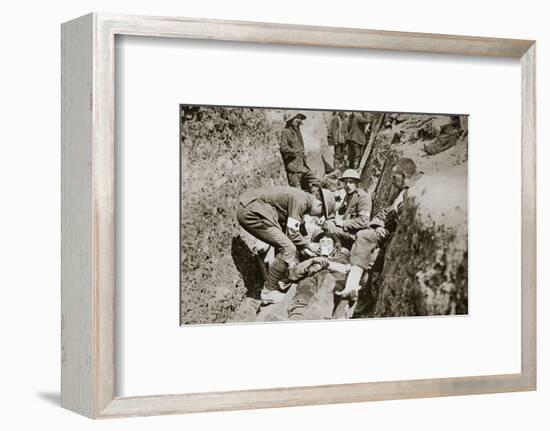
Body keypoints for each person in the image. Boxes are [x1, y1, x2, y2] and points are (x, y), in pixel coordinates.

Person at [237, 186, 336, 304]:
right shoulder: (301, 201)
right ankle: (268, 291)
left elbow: (293, 228)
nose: (317, 217)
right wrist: (309, 245)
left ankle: (275, 279)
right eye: (320, 214)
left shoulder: (303, 198)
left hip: (252, 208)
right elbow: (293, 234)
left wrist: (304, 245)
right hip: (251, 211)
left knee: (284, 244)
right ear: (319, 205)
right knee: (288, 248)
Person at [336, 158, 419, 299]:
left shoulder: (410, 194)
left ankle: (355, 288)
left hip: (391, 235)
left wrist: (383, 229)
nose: (392, 181)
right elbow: (384, 212)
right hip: (381, 230)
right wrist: (377, 224)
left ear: (403, 176)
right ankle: (354, 288)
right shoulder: (398, 192)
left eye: (394, 177)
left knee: (363, 238)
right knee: (363, 243)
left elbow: (401, 224)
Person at [285, 233, 351, 320]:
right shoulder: (311, 260)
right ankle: (296, 316)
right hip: (310, 282)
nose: (324, 244)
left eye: (328, 242)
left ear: (335, 248)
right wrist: (312, 261)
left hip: (331, 281)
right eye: (322, 242)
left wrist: (327, 264)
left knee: (327, 284)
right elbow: (293, 275)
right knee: (305, 286)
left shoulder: (341, 259)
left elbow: (348, 270)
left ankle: (320, 317)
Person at [321, 169, 371, 250]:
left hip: (356, 233)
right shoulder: (349, 195)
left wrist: (343, 223)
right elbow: (340, 210)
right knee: (325, 223)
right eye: (345, 182)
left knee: (328, 226)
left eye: (351, 182)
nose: (348, 185)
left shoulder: (363, 197)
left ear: (356, 183)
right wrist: (325, 217)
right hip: (348, 229)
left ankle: (336, 249)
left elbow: (364, 221)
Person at [279, 111, 319, 191]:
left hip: (302, 166)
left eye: (300, 118)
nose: (299, 120)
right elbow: (283, 148)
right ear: (290, 120)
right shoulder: (286, 132)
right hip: (294, 169)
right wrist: (294, 151)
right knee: (297, 192)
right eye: (296, 118)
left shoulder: (297, 131)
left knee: (316, 181)